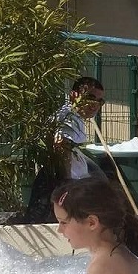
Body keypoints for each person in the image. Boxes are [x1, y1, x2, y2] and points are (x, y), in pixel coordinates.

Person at [25, 76, 105, 223]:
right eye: (90, 98)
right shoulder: (68, 117)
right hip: (62, 185)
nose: (95, 105)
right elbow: (61, 144)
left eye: (100, 101)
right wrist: (66, 183)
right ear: (73, 95)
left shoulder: (75, 117)